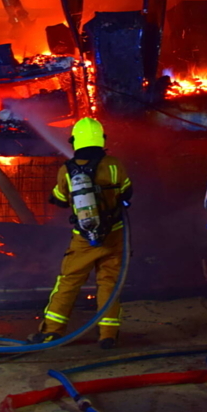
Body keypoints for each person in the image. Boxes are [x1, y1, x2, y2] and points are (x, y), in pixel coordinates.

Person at [29, 117, 132, 349]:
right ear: (101, 139)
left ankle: (52, 332)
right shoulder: (114, 165)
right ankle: (108, 335)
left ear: (74, 141)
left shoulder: (67, 170)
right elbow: (127, 192)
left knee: (68, 281)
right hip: (114, 235)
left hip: (84, 239)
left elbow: (61, 199)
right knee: (110, 283)